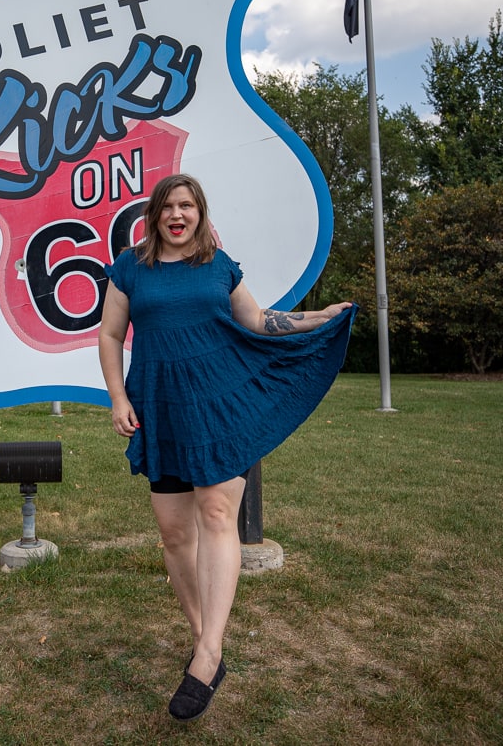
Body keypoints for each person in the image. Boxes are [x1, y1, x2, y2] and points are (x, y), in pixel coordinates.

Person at [97, 173, 356, 722]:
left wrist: (319, 317)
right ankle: (202, 641)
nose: (177, 215)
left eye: (186, 206)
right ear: (155, 215)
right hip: (161, 408)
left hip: (219, 408)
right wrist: (118, 396)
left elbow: (259, 321)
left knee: (217, 513)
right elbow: (111, 336)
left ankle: (209, 651)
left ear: (199, 212)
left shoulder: (218, 266)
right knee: (173, 532)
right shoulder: (130, 269)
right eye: (168, 207)